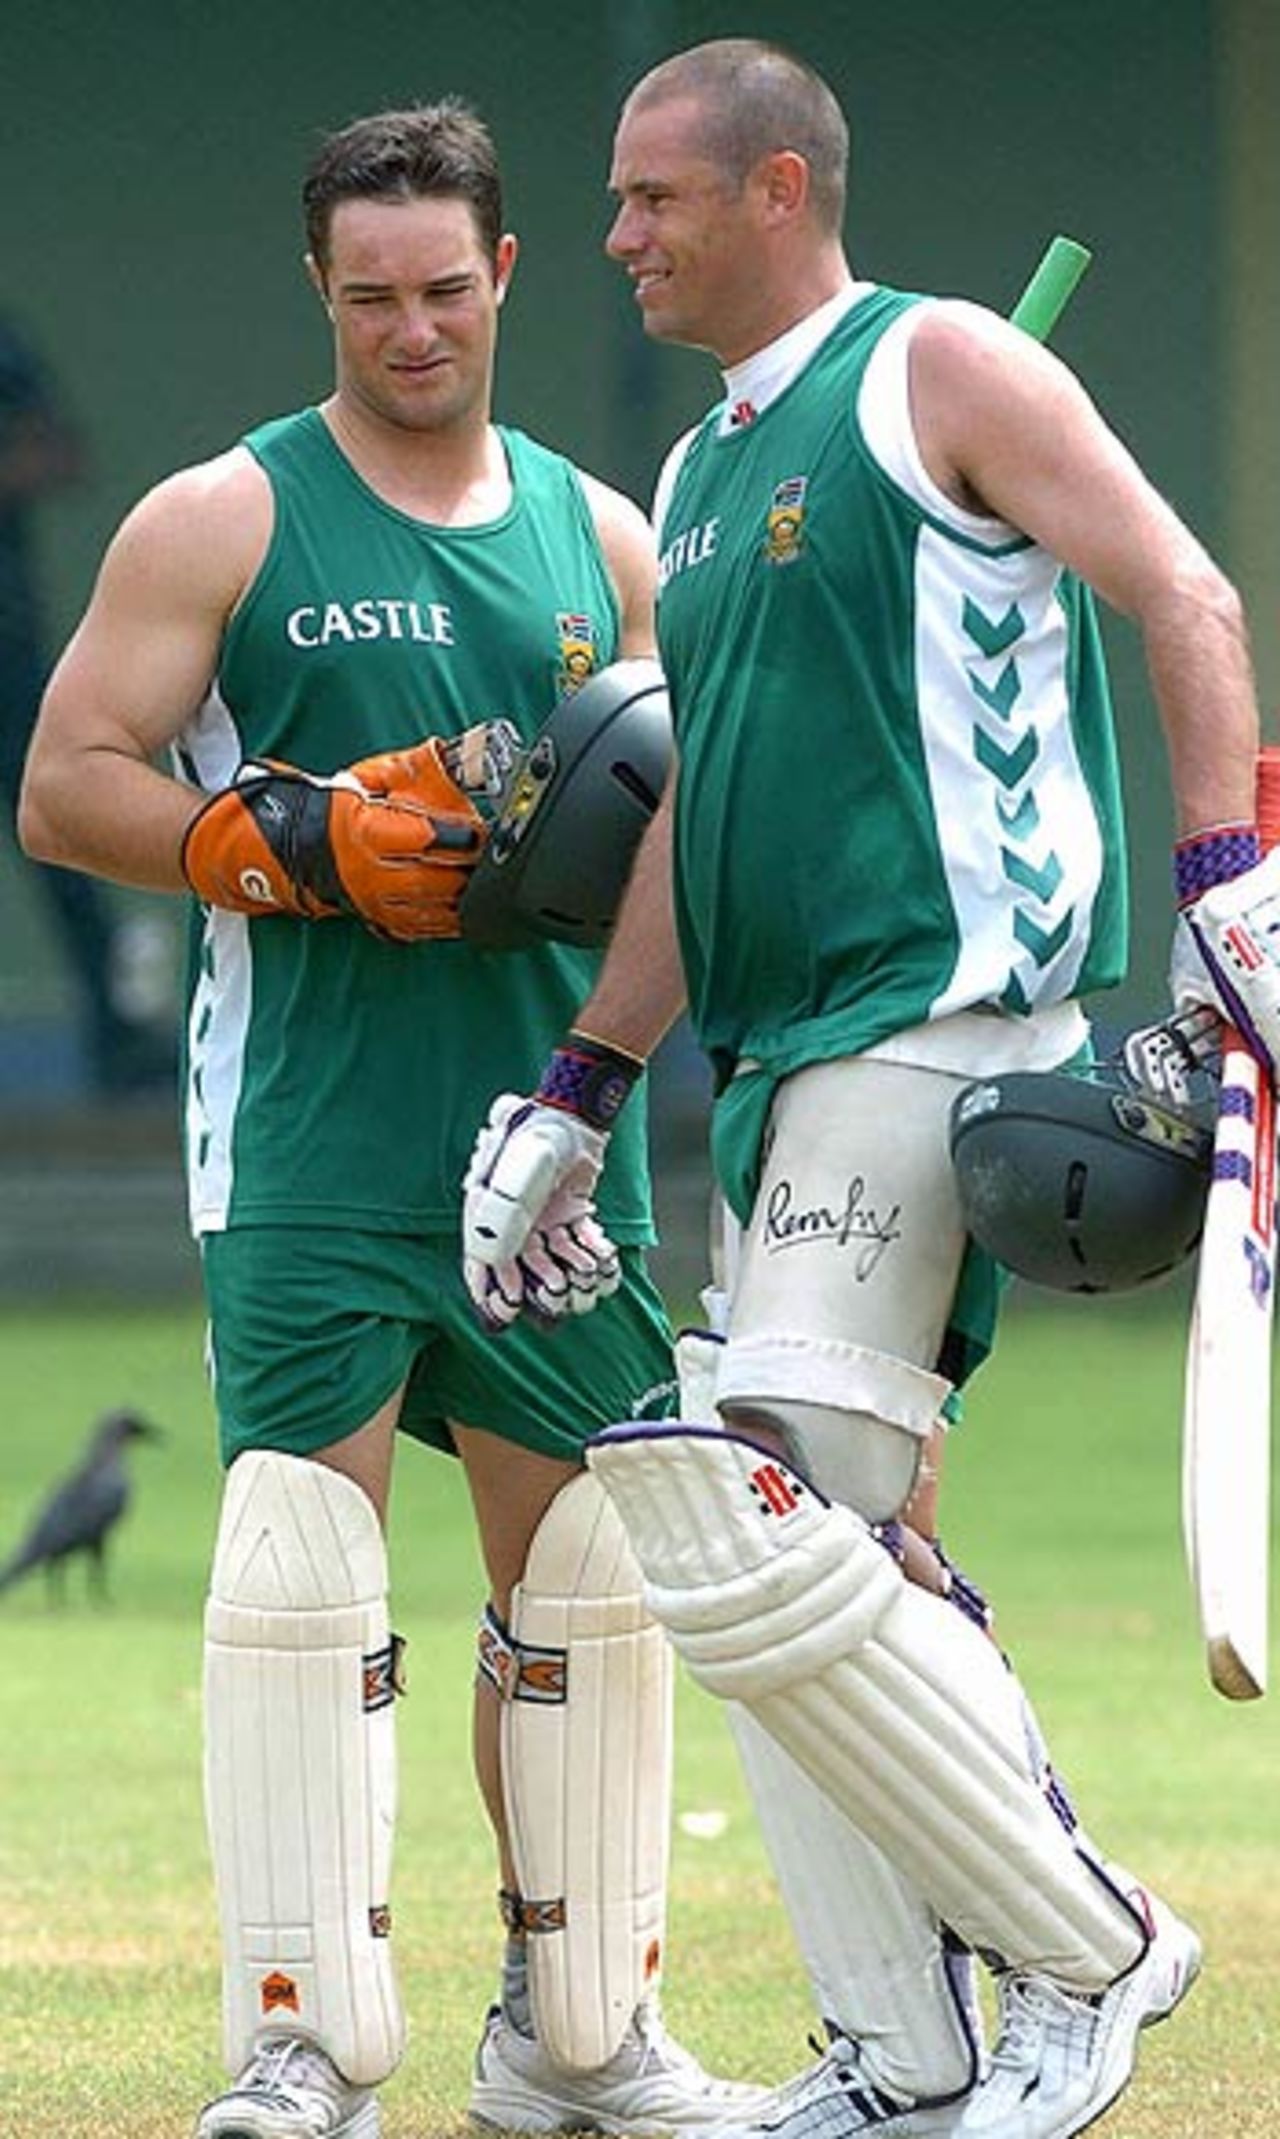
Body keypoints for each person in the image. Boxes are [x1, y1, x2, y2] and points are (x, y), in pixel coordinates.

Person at [460, 37, 1278, 2139]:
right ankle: (899, 2050)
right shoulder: (707, 480)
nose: (615, 237)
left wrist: (1222, 887)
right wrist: (582, 1071)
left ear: (778, 189)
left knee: (754, 1499)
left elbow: (1181, 591)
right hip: (781, 1047)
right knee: (768, 1544)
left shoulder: (942, 371)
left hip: (953, 1007)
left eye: (650, 198)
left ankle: (1089, 1956)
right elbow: (697, 812)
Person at [18, 101, 771, 2139]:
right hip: (310, 1135)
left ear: (506, 272)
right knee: (297, 1577)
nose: (413, 328)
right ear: (321, 290)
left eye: (446, 289)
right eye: (372, 298)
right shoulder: (217, 519)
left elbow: (688, 829)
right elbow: (66, 779)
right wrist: (288, 842)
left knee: (588, 1595)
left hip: (550, 1146)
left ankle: (578, 2033)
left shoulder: (607, 536)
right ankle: (296, 2040)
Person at [0, 311, 175, 1096]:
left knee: (64, 847)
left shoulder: (5, 344)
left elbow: (56, 453)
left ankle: (118, 1031)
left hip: (6, 652)